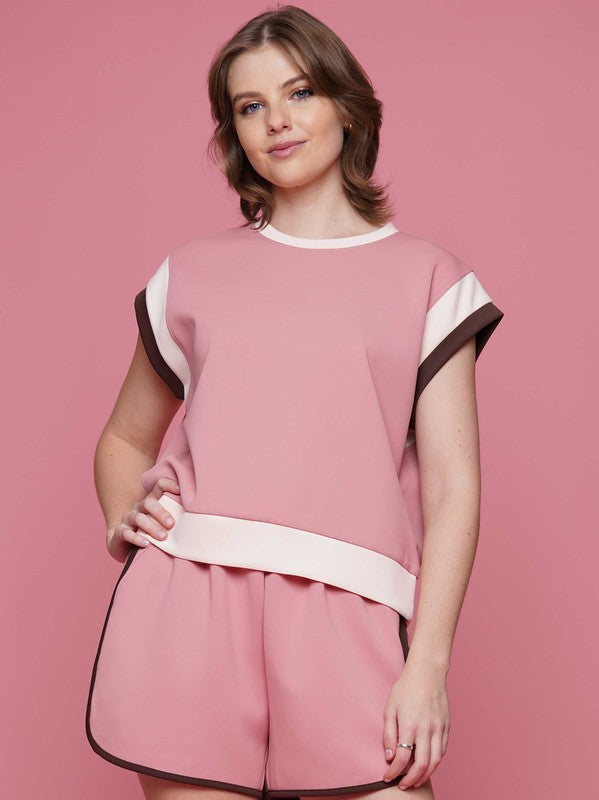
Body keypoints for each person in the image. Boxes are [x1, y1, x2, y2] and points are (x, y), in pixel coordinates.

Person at [85, 5, 504, 800]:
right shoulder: (192, 273)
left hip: (350, 610)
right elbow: (123, 439)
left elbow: (453, 489)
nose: (276, 120)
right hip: (189, 607)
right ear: (234, 133)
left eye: (299, 91)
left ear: (346, 104)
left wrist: (426, 668)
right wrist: (123, 522)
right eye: (250, 106)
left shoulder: (430, 279)